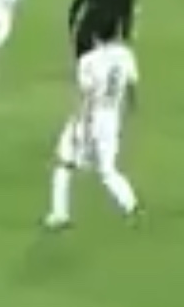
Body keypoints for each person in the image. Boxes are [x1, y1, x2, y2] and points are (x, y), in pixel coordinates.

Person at [45, 16, 141, 229]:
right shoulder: (125, 55)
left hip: (90, 115)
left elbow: (86, 96)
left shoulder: (88, 60)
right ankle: (131, 204)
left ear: (95, 36)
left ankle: (60, 214)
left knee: (64, 163)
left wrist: (82, 127)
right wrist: (130, 111)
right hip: (112, 117)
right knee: (108, 169)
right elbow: (132, 87)